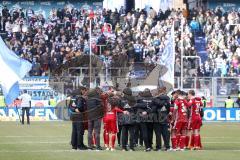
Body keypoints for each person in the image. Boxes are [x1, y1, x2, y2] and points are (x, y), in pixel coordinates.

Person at [152, 87, 171, 151]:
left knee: (158, 134)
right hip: (164, 117)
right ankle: (167, 146)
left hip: (157, 118)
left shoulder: (155, 99)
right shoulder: (167, 99)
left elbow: (153, 109)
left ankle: (158, 147)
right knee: (165, 133)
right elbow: (168, 108)